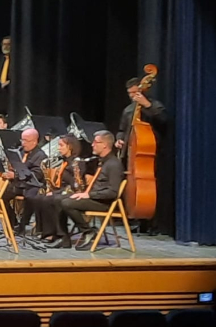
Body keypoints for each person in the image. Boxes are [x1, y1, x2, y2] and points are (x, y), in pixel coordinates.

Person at [115, 76, 169, 234]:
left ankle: (154, 223)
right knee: (133, 187)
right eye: (129, 93)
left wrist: (147, 105)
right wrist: (119, 140)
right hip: (133, 156)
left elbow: (164, 120)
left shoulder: (154, 105)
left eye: (135, 92)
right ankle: (137, 219)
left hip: (152, 154)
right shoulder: (129, 110)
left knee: (154, 190)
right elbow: (122, 130)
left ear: (143, 89)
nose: (132, 96)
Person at [61, 130, 125, 250]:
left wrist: (89, 195)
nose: (92, 145)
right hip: (95, 198)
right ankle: (63, 236)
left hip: (104, 203)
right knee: (59, 199)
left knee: (67, 203)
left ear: (105, 145)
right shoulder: (102, 161)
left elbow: (113, 192)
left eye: (96, 142)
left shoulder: (114, 164)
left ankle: (88, 231)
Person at [30, 135, 81, 247]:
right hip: (62, 191)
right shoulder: (63, 162)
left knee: (51, 199)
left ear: (70, 146)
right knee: (39, 198)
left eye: (61, 145)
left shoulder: (76, 163)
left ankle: (60, 235)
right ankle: (45, 232)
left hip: (72, 192)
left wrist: (55, 192)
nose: (58, 148)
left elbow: (75, 185)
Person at [0, 128, 47, 235]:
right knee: (1, 196)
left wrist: (15, 175)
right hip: (19, 183)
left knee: (30, 197)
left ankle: (23, 224)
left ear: (34, 141)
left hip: (32, 185)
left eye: (26, 140)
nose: (23, 143)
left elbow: (37, 174)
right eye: (22, 140)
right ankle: (13, 223)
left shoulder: (40, 155)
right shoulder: (19, 151)